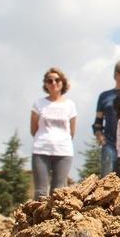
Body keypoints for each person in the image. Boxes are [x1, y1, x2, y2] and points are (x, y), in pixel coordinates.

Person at [30, 67, 77, 199]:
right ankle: (38, 213)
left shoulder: (70, 104)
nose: (53, 83)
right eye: (49, 80)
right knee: (40, 192)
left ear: (63, 82)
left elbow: (72, 131)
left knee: (58, 191)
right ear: (45, 84)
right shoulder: (38, 104)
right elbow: (33, 130)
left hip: (63, 151)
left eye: (57, 80)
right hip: (41, 150)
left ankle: (55, 214)